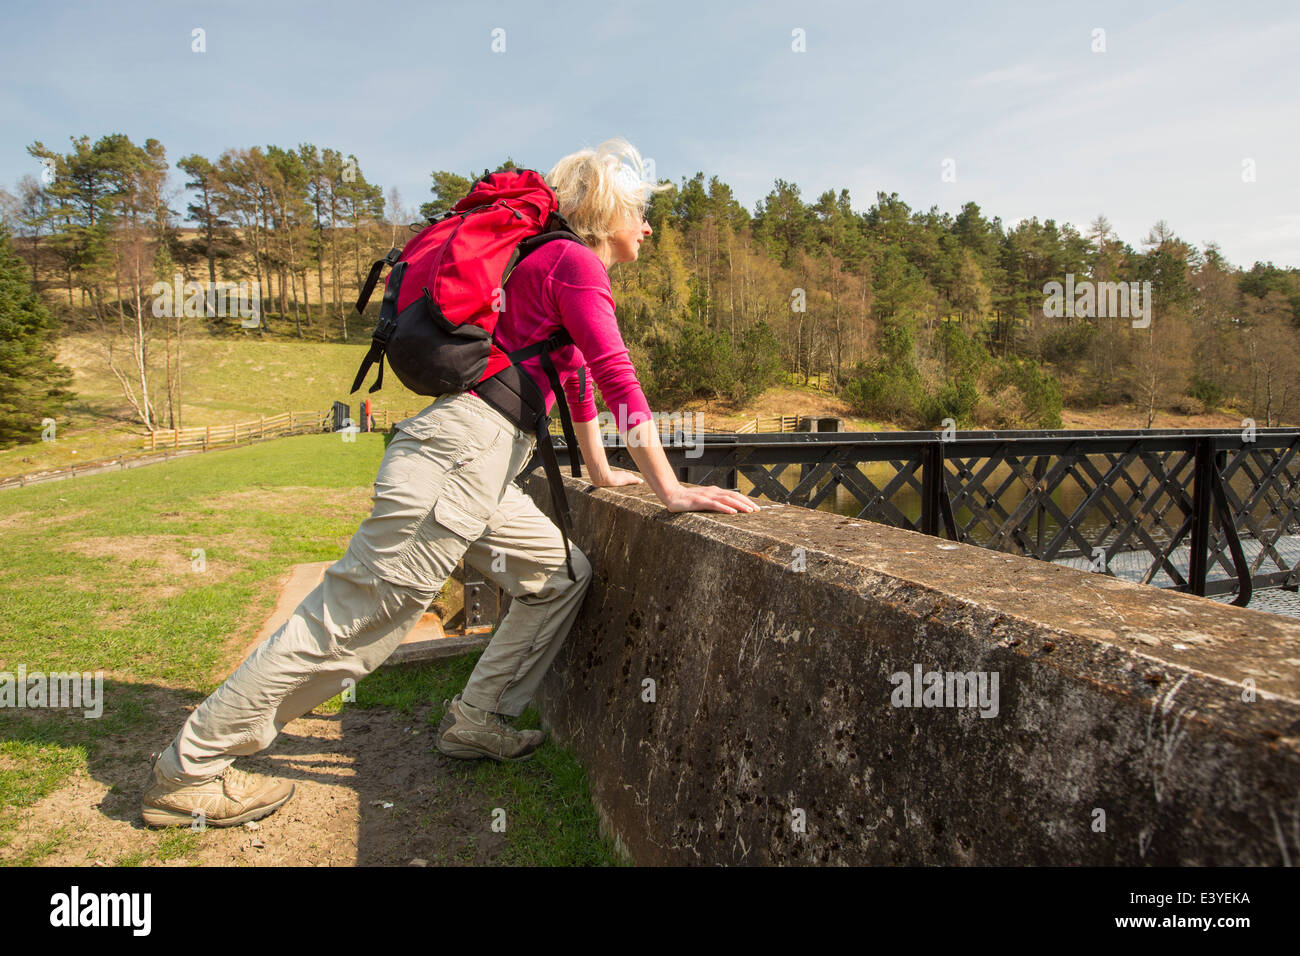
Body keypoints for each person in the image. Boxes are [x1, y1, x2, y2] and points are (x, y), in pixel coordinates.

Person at [140, 137, 759, 828]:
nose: (646, 227)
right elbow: (619, 376)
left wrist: (601, 466)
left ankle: (478, 717)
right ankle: (187, 772)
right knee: (350, 621)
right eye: (640, 212)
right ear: (610, 212)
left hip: (478, 464)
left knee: (559, 576)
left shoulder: (551, 261)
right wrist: (671, 490)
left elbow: (578, 377)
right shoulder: (574, 262)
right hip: (459, 458)